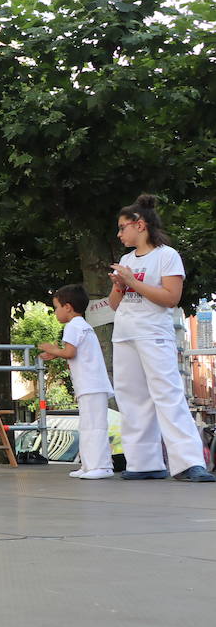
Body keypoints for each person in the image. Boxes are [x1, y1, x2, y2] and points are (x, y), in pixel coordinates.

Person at [107, 195, 214, 482]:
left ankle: (189, 463)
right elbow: (114, 305)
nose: (119, 234)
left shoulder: (167, 255)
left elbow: (170, 298)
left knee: (167, 396)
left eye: (122, 227)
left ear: (139, 225)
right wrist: (119, 286)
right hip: (125, 334)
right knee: (132, 399)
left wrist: (132, 281)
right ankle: (143, 463)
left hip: (153, 333)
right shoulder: (126, 260)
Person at [37, 284, 113, 480]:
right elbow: (75, 353)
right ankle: (89, 465)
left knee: (94, 426)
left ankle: (101, 466)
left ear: (68, 307)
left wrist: (52, 349)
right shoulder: (82, 325)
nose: (55, 312)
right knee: (89, 426)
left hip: (90, 385)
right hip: (91, 384)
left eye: (56, 307)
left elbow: (70, 352)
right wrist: (57, 353)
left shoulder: (72, 326)